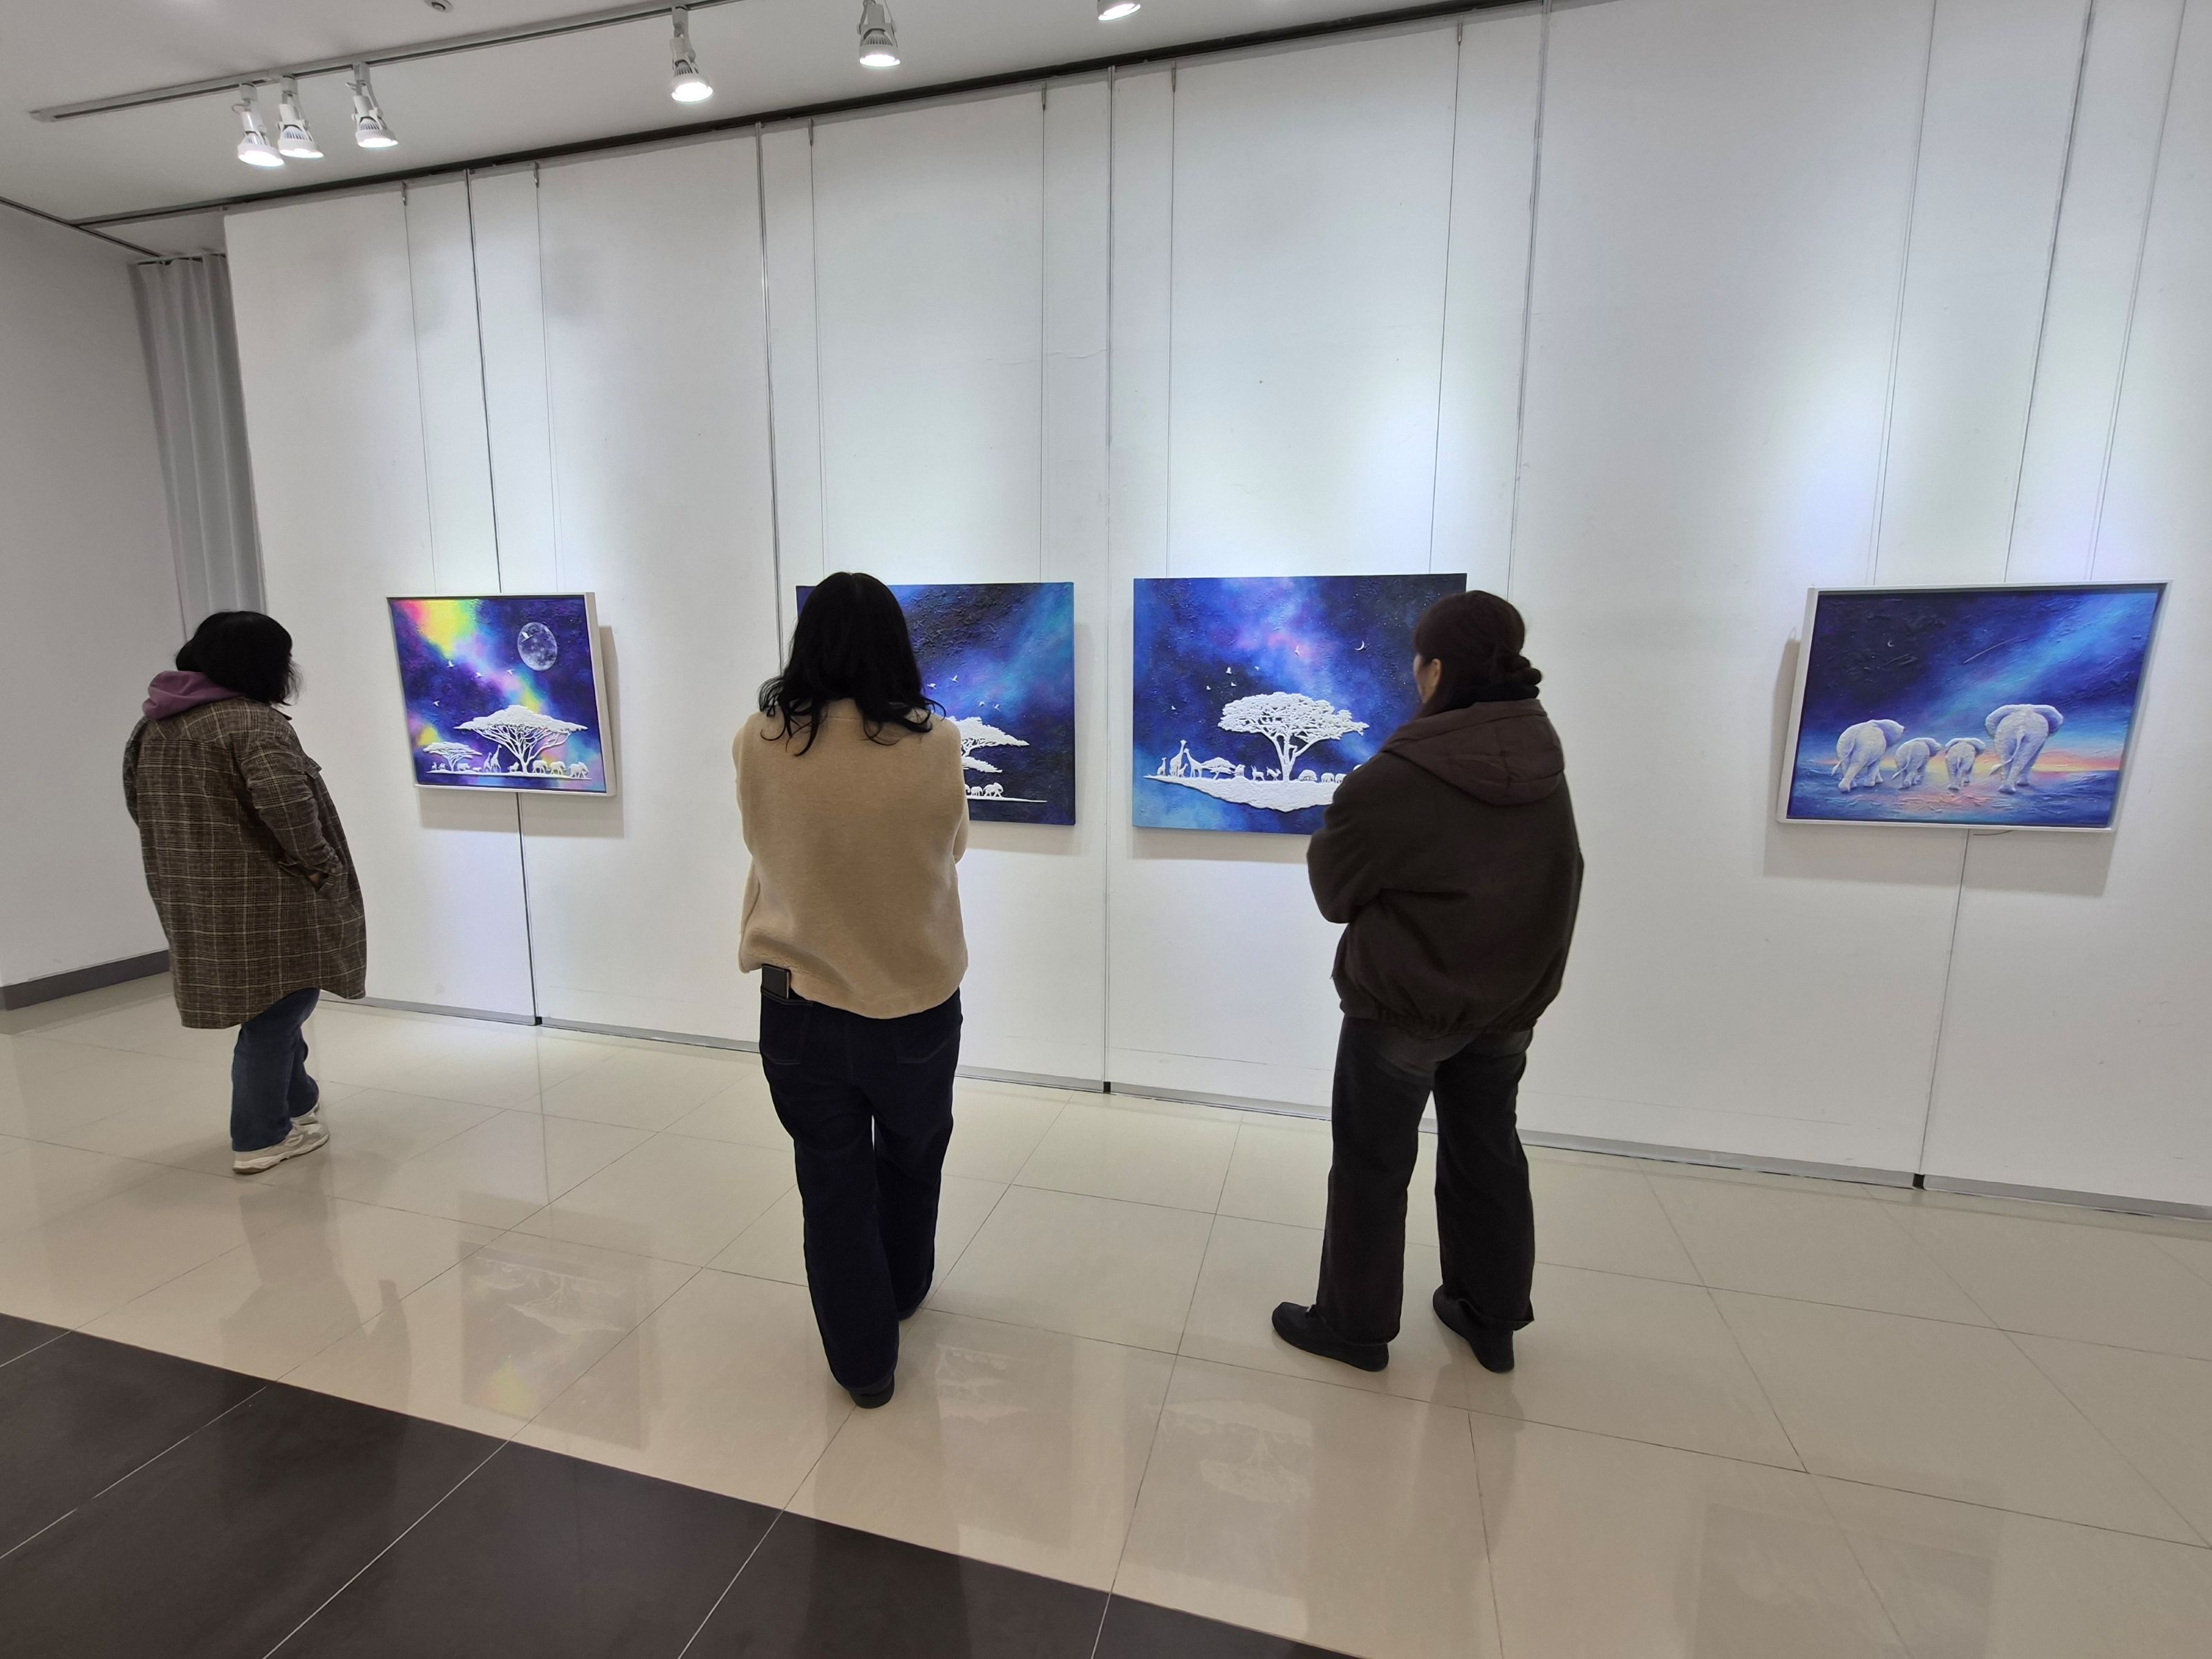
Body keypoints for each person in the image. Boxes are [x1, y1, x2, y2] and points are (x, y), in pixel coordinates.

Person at [1273, 590, 1582, 1376]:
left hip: (1404, 1005)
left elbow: (1334, 892)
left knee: (1373, 1165)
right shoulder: (1543, 760)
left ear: (1436, 670)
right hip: (1509, 1003)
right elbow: (1561, 876)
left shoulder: (1396, 777)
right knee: (1488, 1151)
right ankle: (1490, 1315)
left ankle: (1354, 1326)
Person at [735, 572, 969, 1409]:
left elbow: (761, 840)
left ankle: (864, 1369)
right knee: (912, 1153)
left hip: (796, 1003)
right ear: (894, 648)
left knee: (831, 1186)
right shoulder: (934, 743)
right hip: (913, 1001)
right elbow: (952, 846)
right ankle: (901, 1288)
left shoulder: (759, 740)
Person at [124, 611, 366, 1174]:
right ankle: (260, 1137)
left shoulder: (156, 724)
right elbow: (288, 809)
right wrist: (321, 868)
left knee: (277, 999)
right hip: (267, 894)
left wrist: (194, 861)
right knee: (280, 1007)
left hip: (195, 892)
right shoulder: (253, 724)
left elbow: (139, 802)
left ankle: (299, 1101)